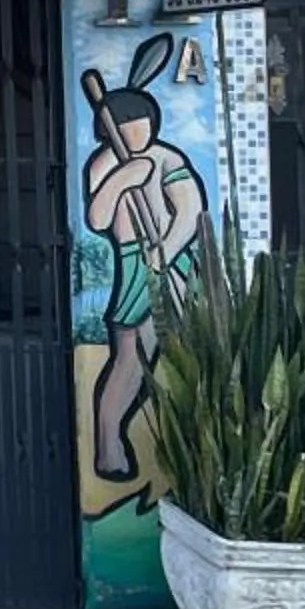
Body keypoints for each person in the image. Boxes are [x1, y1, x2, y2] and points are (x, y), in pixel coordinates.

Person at [84, 63, 207, 482]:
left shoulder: (168, 157)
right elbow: (98, 219)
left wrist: (167, 249)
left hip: (171, 258)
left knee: (190, 347)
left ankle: (193, 444)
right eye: (128, 126)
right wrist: (121, 180)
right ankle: (109, 445)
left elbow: (189, 209)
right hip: (134, 261)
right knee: (130, 356)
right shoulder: (103, 164)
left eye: (143, 124)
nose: (137, 133)